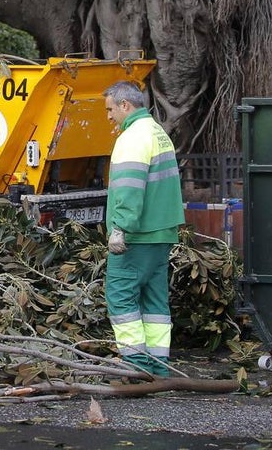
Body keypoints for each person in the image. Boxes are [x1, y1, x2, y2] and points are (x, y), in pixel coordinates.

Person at [102, 80, 185, 378]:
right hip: (161, 232)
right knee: (154, 301)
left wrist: (120, 228)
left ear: (126, 105)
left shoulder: (132, 137)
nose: (108, 116)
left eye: (110, 109)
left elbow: (129, 187)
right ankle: (159, 365)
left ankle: (136, 364)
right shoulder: (156, 132)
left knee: (121, 295)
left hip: (137, 234)